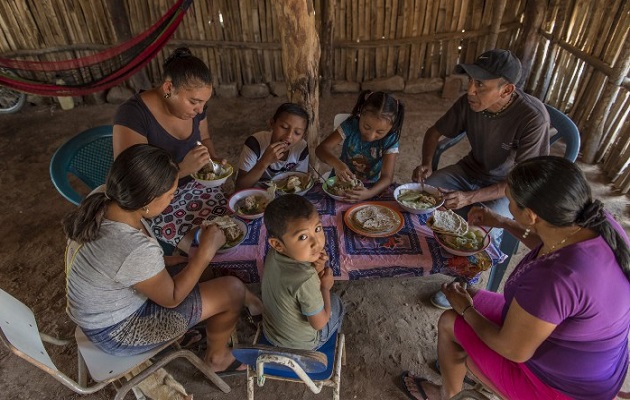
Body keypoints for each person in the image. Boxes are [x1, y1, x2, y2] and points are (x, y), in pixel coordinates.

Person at [400, 156, 630, 400]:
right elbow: (551, 244)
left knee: (450, 319)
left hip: (560, 388)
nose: (507, 205)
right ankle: (462, 362)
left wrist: (466, 309)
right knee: (472, 295)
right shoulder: (596, 221)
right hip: (598, 366)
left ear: (531, 216)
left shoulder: (555, 278)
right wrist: (503, 222)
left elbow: (513, 350)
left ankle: (447, 393)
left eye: (510, 202)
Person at [62, 144, 263, 374]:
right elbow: (172, 298)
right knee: (232, 289)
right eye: (170, 194)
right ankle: (217, 359)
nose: (173, 198)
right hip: (117, 333)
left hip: (107, 308)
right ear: (148, 200)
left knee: (198, 269)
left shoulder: (105, 196)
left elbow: (119, 266)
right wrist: (205, 253)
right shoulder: (130, 246)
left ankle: (200, 328)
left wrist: (176, 262)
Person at [412, 49, 550, 309]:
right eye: (471, 81)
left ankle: (462, 282)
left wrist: (470, 197)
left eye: (480, 85)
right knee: (425, 195)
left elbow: (524, 183)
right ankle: (433, 255)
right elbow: (433, 133)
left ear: (507, 90)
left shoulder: (533, 118)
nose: (471, 91)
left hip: (506, 189)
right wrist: (427, 163)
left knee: (482, 230)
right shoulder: (470, 102)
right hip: (469, 171)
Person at [112, 47, 226, 247]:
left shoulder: (197, 110)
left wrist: (213, 161)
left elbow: (205, 138)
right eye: (194, 102)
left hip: (198, 188)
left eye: (204, 103)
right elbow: (133, 183)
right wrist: (182, 169)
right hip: (158, 202)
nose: (200, 110)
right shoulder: (133, 114)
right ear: (168, 88)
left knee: (230, 228)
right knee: (205, 247)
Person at [261, 194, 344, 350]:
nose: (316, 242)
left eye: (317, 229)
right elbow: (319, 324)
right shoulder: (306, 279)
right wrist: (325, 287)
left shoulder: (274, 254)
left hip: (271, 333)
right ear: (277, 244)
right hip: (300, 346)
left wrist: (318, 268)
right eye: (303, 237)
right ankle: (328, 345)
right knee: (336, 303)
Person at [315, 90, 405, 202]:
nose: (371, 136)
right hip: (339, 182)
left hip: (369, 187)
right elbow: (320, 150)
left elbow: (387, 177)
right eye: (366, 127)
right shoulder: (351, 125)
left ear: (391, 127)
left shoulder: (390, 138)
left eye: (380, 132)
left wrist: (369, 193)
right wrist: (337, 164)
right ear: (360, 113)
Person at [235, 103, 310, 191]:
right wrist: (264, 162)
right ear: (272, 123)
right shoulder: (255, 143)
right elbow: (240, 187)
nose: (289, 136)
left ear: (302, 136)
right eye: (284, 127)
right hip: (256, 195)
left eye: (297, 133)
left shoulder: (301, 148)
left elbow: (299, 183)